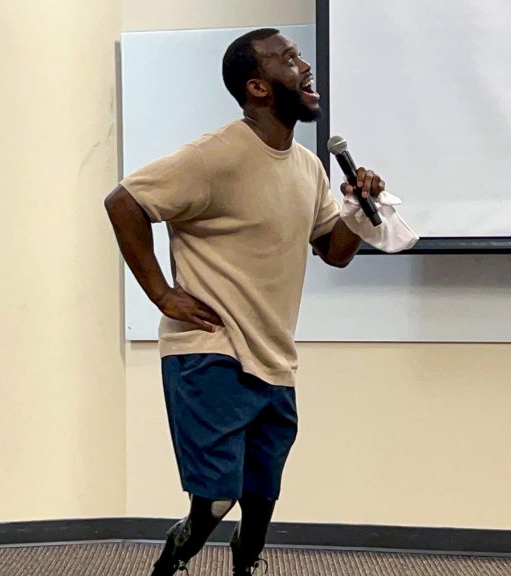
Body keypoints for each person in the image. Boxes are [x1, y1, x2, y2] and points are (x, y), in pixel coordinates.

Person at [104, 28, 386, 576]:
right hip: (209, 349)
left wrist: (359, 209)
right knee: (215, 499)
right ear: (257, 86)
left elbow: (335, 252)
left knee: (260, 500)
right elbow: (124, 202)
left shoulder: (307, 166)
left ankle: (244, 563)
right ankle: (177, 554)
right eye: (289, 60)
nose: (305, 67)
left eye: (301, 57)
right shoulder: (216, 156)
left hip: (274, 357)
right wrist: (162, 293)